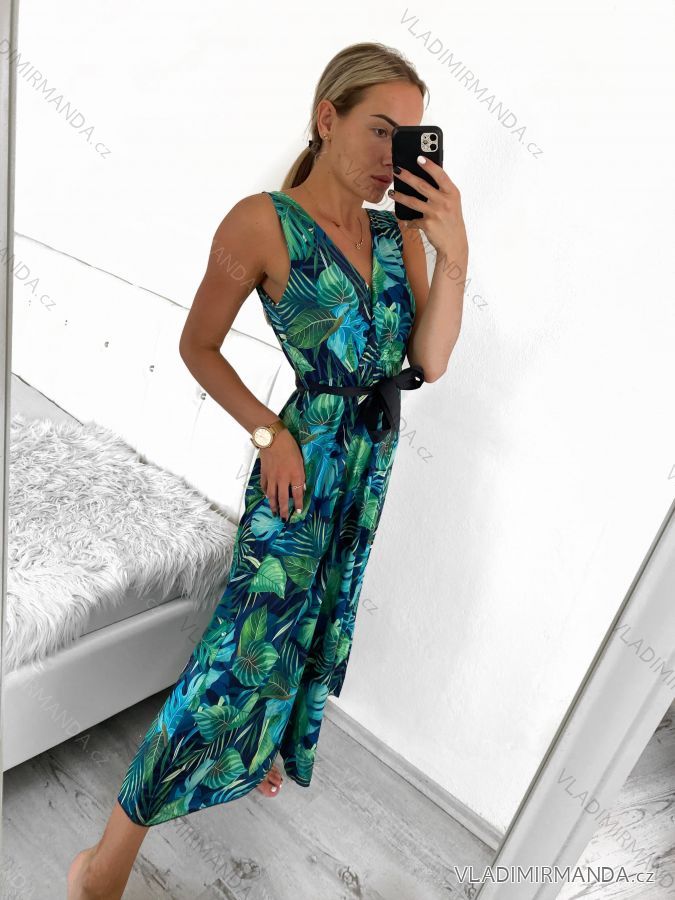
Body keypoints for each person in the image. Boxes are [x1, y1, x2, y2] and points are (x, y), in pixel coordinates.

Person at [67, 40, 467, 900]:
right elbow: (197, 345)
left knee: (310, 631)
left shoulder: (397, 232)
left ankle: (255, 757)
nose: (391, 155)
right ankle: (103, 864)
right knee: (232, 660)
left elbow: (428, 362)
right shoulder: (261, 223)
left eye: (407, 138)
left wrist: (454, 251)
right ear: (327, 118)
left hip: (366, 468)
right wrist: (265, 432)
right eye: (379, 129)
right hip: (301, 463)